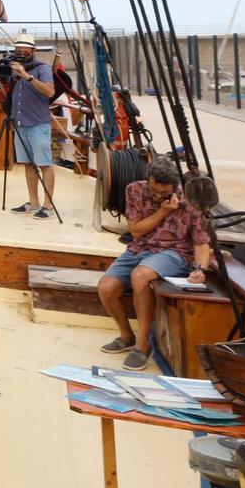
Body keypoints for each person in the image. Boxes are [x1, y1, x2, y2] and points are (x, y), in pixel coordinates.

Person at [95, 156, 214, 370]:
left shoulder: (189, 202)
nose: (159, 195)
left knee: (140, 276)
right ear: (148, 179)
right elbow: (136, 231)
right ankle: (126, 335)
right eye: (155, 190)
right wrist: (163, 211)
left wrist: (199, 270)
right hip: (139, 248)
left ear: (175, 186)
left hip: (174, 252)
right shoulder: (135, 190)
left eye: (164, 193)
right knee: (106, 287)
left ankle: (143, 345)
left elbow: (201, 244)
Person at [3, 36, 59, 217]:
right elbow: (9, 95)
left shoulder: (42, 69)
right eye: (18, 52)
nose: (21, 55)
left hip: (38, 124)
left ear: (33, 51)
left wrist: (26, 76)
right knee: (28, 164)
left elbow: (50, 91)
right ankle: (33, 202)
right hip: (20, 124)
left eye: (25, 52)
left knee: (44, 164)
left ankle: (48, 205)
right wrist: (0, 78)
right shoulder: (14, 70)